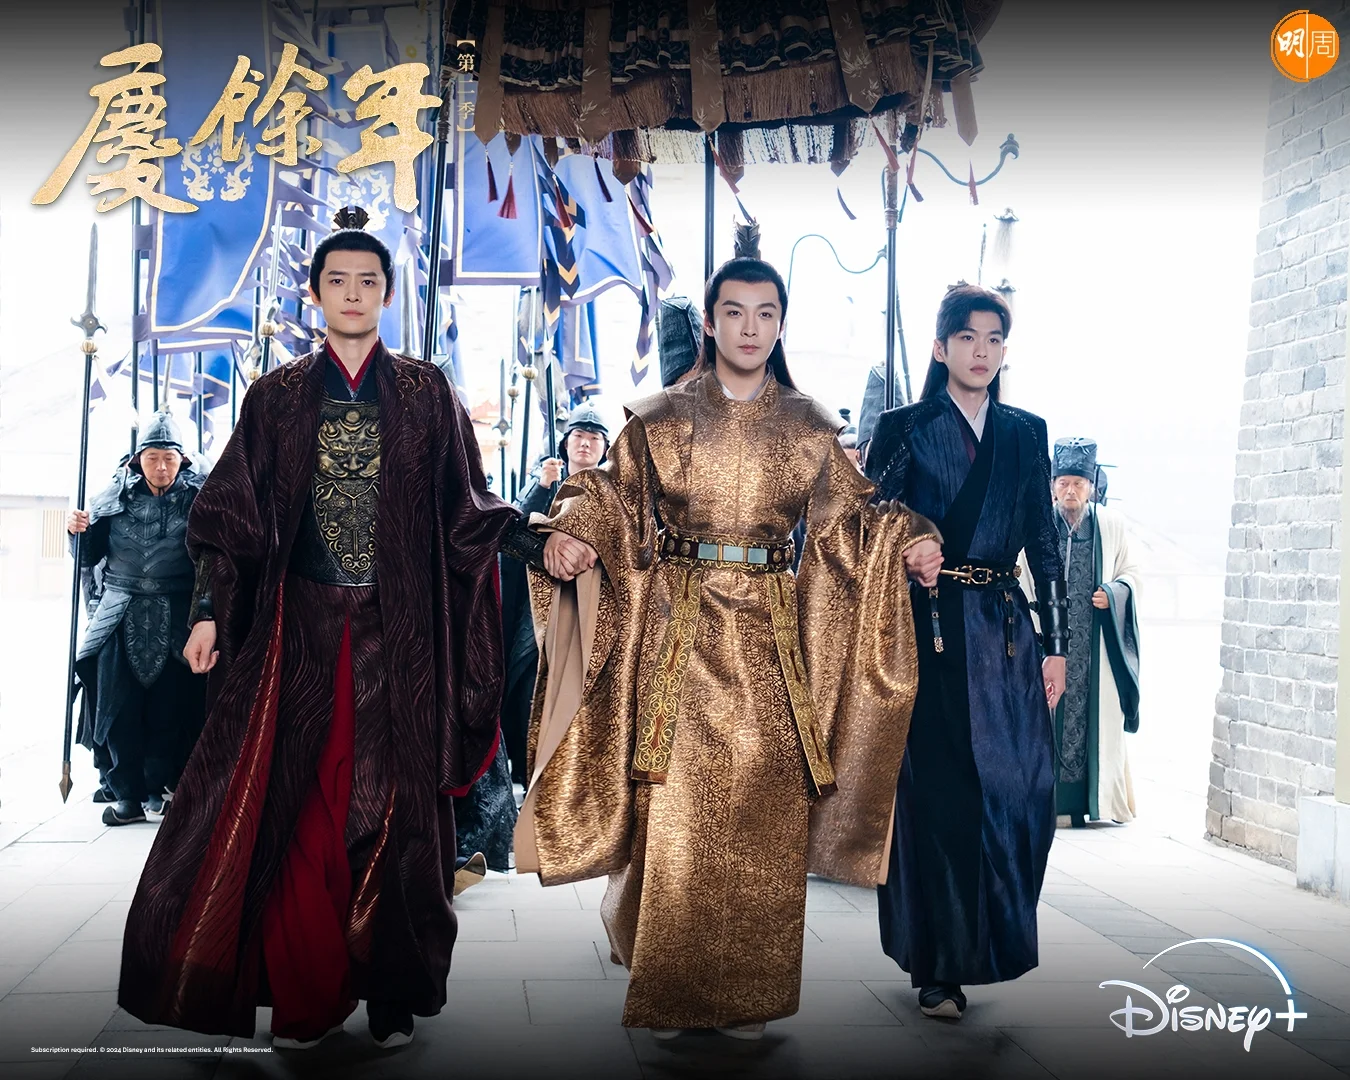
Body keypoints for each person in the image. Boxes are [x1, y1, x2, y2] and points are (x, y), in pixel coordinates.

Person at [117, 207, 540, 1051]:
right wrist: (207, 612)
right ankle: (306, 995)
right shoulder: (276, 397)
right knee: (304, 806)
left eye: (368, 282)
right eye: (337, 281)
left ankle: (390, 991)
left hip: (401, 631)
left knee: (394, 808)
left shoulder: (426, 392)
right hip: (299, 631)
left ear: (388, 294)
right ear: (314, 295)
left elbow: (466, 508)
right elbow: (228, 517)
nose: (353, 294)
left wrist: (536, 537)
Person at [514, 254, 940, 1040]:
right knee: (678, 805)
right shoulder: (659, 418)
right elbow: (610, 495)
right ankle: (675, 985)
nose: (750, 328)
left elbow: (852, 523)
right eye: (735, 312)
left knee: (765, 803)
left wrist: (907, 537)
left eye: (766, 313)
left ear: (780, 324)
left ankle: (748, 991)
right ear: (710, 323)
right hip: (677, 634)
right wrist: (569, 529)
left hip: (773, 642)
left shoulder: (809, 427)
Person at [865, 284, 1068, 1021]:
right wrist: (910, 539)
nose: (982, 352)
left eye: (994, 339)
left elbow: (1043, 541)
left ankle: (996, 939)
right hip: (929, 627)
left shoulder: (1025, 432)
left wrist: (1057, 646)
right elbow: (867, 520)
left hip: (1007, 633)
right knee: (940, 794)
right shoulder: (905, 427)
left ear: (1004, 350)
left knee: (1024, 791)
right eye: (968, 338)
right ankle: (939, 963)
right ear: (941, 346)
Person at [68, 411, 209, 826]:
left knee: (171, 709)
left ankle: (157, 788)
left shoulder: (201, 499)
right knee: (117, 709)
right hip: (119, 610)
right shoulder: (112, 497)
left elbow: (214, 560)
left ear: (182, 459)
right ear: (138, 460)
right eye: (152, 458)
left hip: (177, 610)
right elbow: (89, 558)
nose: (161, 467)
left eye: (169, 458)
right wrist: (78, 532)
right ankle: (126, 794)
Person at [1019, 438, 1140, 826]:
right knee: (1042, 712)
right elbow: (1020, 575)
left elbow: (1132, 574)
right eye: (1063, 483)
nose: (1070, 491)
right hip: (1046, 637)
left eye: (1078, 483)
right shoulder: (1036, 523)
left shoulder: (1111, 526)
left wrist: (1114, 592)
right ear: (1052, 486)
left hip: (1093, 643)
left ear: (1091, 486)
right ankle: (1044, 803)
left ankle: (1090, 801)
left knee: (1089, 718)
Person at [498, 401, 610, 787]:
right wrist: (542, 485)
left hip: (590, 601)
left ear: (604, 447)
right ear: (566, 442)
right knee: (527, 674)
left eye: (594, 437)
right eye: (578, 435)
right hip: (539, 599)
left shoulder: (612, 490)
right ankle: (527, 762)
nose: (585, 443)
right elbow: (512, 525)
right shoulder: (546, 484)